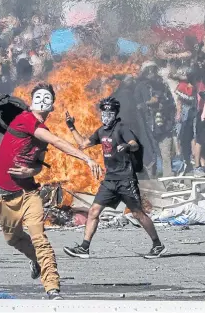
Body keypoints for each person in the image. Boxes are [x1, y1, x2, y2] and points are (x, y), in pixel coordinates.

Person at [0, 83, 102, 300]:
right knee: (13, 239)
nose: (43, 100)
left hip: (28, 193)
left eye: (47, 98)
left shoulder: (42, 132)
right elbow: (58, 142)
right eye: (39, 97)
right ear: (31, 101)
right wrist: (86, 158)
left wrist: (27, 171)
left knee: (40, 238)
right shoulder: (25, 119)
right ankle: (35, 260)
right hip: (2, 196)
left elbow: (38, 166)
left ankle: (52, 288)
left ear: (52, 108)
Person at [63, 97, 167, 259]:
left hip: (126, 179)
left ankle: (157, 245)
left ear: (115, 113)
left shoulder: (122, 128)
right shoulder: (101, 131)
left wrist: (126, 146)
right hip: (109, 180)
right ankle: (84, 248)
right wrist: (71, 127)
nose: (106, 115)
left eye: (109, 112)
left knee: (138, 214)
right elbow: (83, 144)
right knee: (94, 211)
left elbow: (135, 144)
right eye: (103, 112)